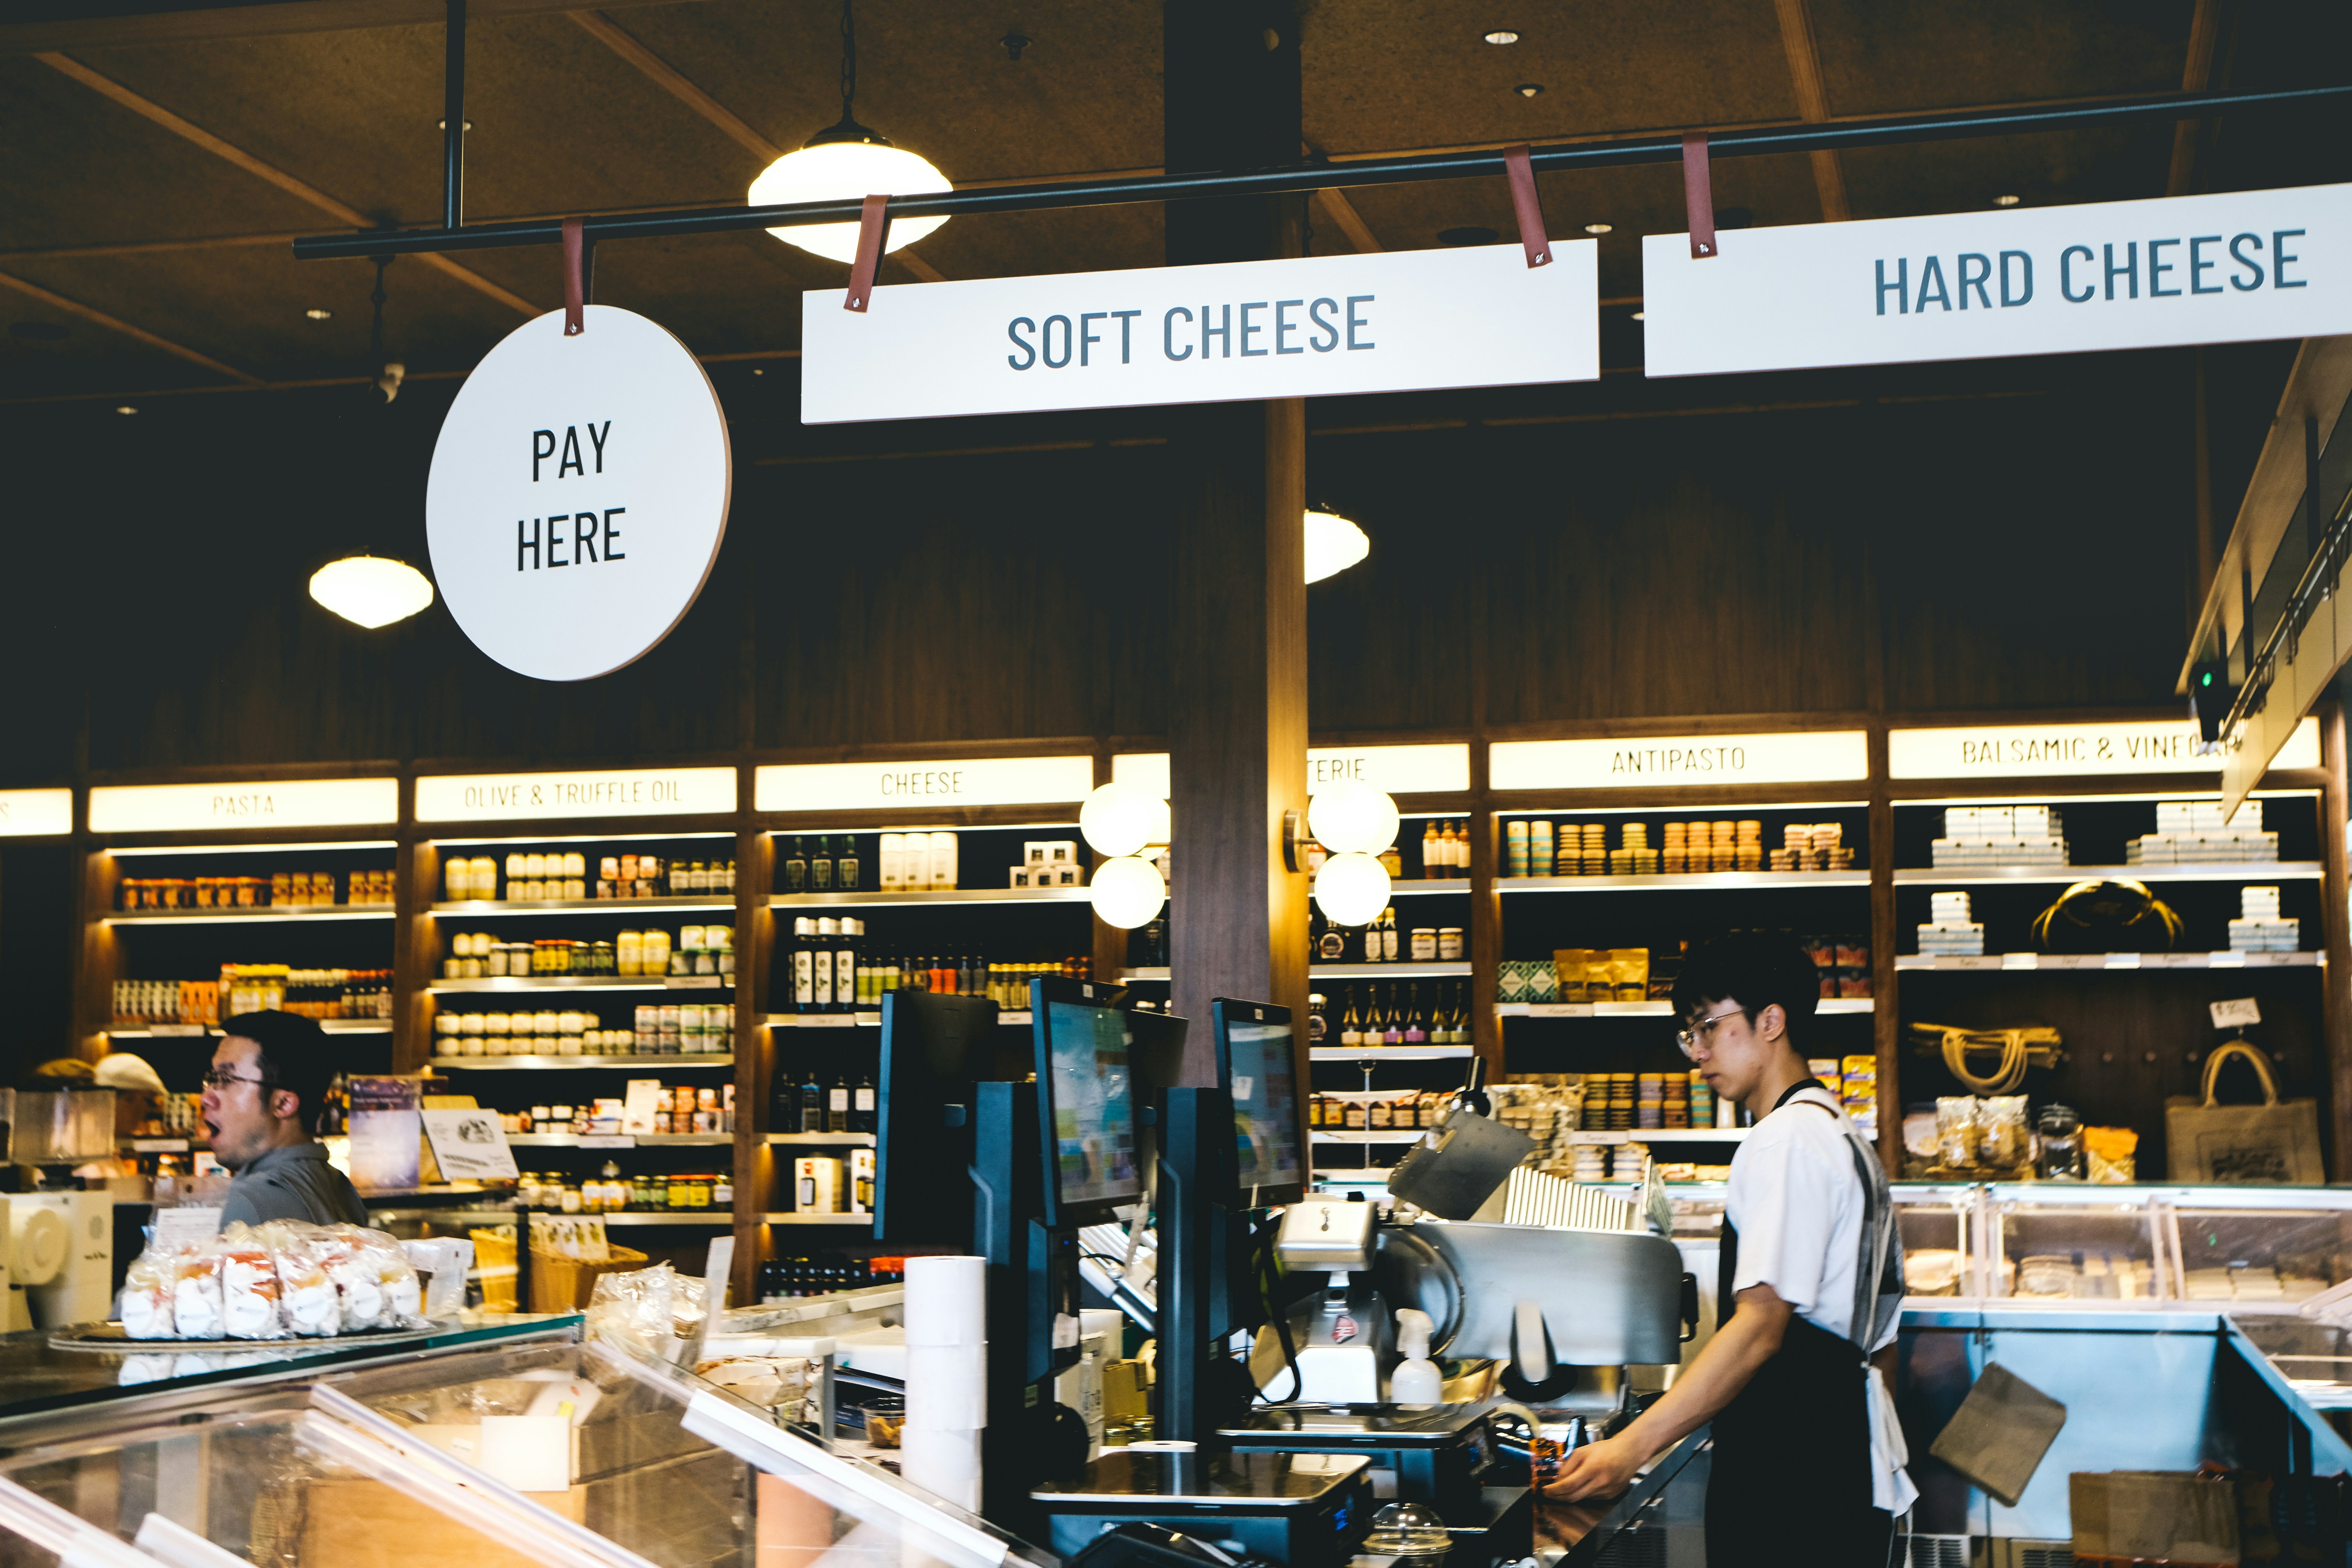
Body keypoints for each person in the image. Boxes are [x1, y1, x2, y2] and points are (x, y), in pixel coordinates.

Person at [1543, 931, 1911, 1568]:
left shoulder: (1783, 1142)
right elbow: (1882, 1348)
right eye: (1690, 1034)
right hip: (1842, 1458)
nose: (1699, 1053)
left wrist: (1628, 1449)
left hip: (1789, 1470)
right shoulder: (1840, 1133)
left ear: (1772, 1022)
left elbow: (1761, 1329)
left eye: (1710, 1027)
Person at [202, 1010, 368, 1229]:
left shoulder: (249, 1202)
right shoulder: (340, 1187)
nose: (207, 1098)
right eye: (211, 1079)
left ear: (283, 1104)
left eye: (226, 1079)